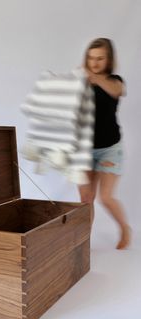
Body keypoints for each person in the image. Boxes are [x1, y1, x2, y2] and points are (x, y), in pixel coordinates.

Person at [78, 37, 131, 249]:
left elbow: (117, 91)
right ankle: (82, 242)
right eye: (91, 58)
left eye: (100, 58)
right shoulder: (81, 83)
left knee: (106, 197)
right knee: (85, 199)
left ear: (108, 59)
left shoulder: (114, 80)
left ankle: (125, 228)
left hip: (110, 149)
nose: (95, 63)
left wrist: (94, 78)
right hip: (85, 150)